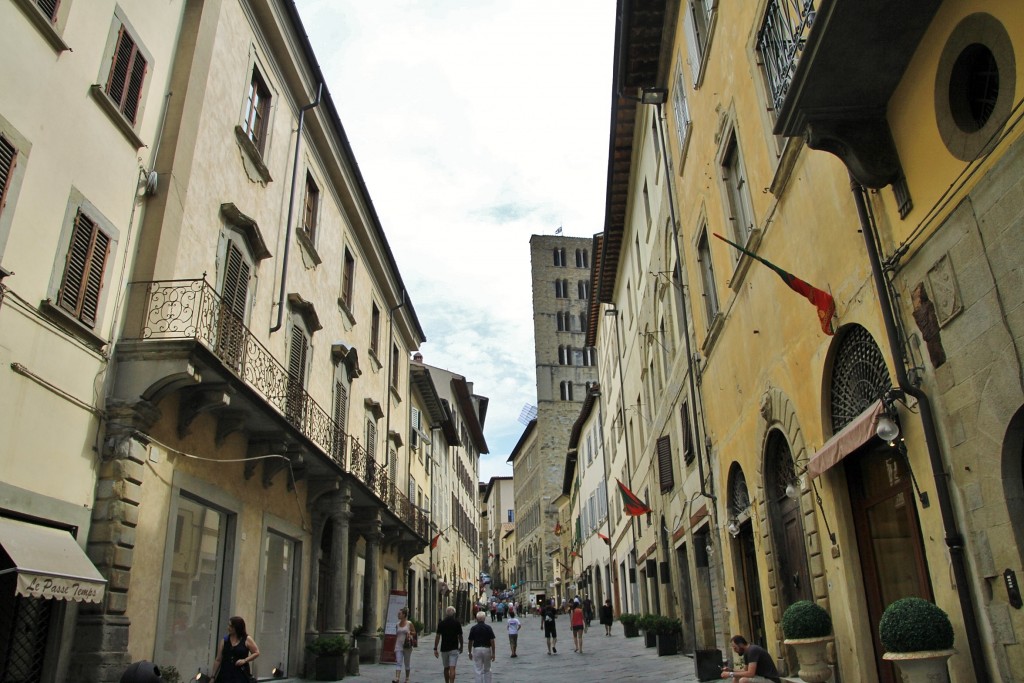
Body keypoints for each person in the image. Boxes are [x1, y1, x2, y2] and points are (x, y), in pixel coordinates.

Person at [211, 616, 259, 683]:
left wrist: (245, 660)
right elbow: (218, 659)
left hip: (240, 675)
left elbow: (256, 652)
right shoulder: (225, 640)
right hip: (225, 674)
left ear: (237, 627)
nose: (228, 628)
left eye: (231, 626)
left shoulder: (247, 639)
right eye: (228, 625)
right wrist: (213, 677)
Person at [434, 606, 464, 683]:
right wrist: (461, 646)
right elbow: (460, 636)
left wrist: (435, 648)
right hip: (454, 648)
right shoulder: (457, 623)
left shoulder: (441, 623)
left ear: (446, 613)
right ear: (454, 613)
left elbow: (438, 636)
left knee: (446, 668)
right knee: (452, 668)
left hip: (444, 648)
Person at [467, 611, 496, 683]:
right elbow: (492, 641)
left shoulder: (473, 628)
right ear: (484, 619)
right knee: (487, 669)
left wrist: (469, 652)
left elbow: (470, 641)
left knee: (478, 669)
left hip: (477, 649)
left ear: (477, 619)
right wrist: (493, 653)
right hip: (486, 649)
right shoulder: (488, 628)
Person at [393, 607, 416, 683]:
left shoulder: (409, 623)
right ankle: (397, 678)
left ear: (404, 615)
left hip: (407, 646)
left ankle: (407, 678)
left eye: (400, 614)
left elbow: (414, 632)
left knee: (407, 662)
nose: (398, 615)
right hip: (398, 645)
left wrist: (409, 633)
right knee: (398, 662)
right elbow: (397, 635)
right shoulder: (397, 624)